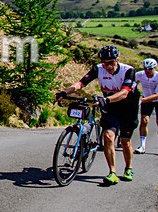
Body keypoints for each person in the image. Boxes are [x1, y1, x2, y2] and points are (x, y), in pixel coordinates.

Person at [55, 45, 140, 185]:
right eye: (105, 63)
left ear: (117, 60)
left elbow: (125, 93)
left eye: (111, 62)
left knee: (125, 142)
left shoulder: (128, 71)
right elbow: (81, 83)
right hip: (111, 107)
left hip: (127, 109)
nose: (108, 66)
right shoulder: (98, 69)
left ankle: (128, 168)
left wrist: (106, 99)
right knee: (107, 137)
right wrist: (64, 92)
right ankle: (112, 172)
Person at [135, 58, 158, 156]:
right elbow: (130, 83)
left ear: (155, 68)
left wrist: (141, 100)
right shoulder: (140, 74)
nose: (147, 71)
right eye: (145, 68)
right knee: (144, 120)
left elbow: (157, 95)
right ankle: (142, 146)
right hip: (146, 98)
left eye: (150, 69)